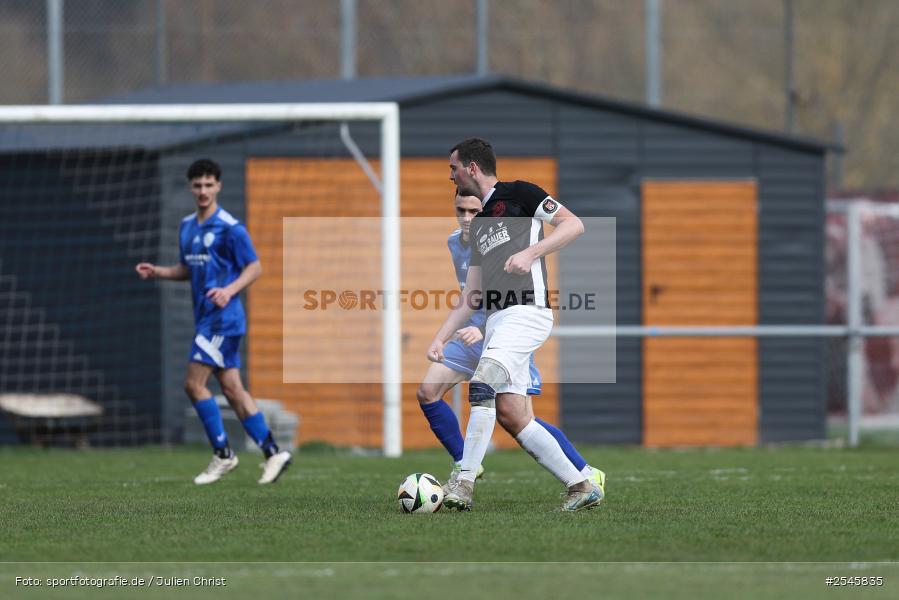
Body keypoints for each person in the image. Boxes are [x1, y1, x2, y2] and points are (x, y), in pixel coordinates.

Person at [428, 138, 605, 511]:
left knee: (483, 382)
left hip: (527, 313)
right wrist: (440, 338)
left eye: (453, 168)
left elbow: (574, 225)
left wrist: (531, 252)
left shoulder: (521, 193)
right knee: (513, 415)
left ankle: (463, 483)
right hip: (497, 321)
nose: (451, 175)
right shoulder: (478, 227)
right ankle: (581, 485)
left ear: (472, 168)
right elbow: (472, 295)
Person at [136, 158, 292, 485]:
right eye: (198, 185)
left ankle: (223, 454)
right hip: (207, 320)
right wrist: (159, 272)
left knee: (193, 384)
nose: (203, 191)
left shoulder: (230, 228)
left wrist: (229, 290)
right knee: (233, 391)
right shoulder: (187, 227)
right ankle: (273, 451)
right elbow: (186, 268)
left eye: (209, 184)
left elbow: (255, 267)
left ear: (218, 185)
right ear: (191, 187)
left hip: (223, 320)